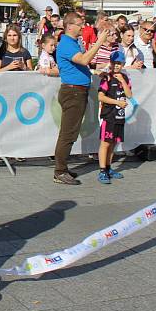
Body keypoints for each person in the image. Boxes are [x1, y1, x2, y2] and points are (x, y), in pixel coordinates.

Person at [53, 13, 110, 185]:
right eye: (80, 24)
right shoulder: (66, 44)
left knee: (70, 132)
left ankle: (62, 168)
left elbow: (81, 62)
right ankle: (60, 171)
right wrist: (100, 41)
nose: (82, 26)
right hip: (73, 92)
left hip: (76, 91)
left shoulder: (71, 42)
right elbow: (84, 60)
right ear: (69, 26)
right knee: (68, 134)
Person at [97, 50, 132, 184]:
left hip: (119, 116)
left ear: (123, 64)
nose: (117, 66)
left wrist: (122, 81)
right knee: (105, 143)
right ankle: (102, 170)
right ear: (110, 63)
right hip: (109, 115)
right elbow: (100, 96)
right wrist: (117, 102)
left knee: (113, 143)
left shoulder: (125, 78)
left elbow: (129, 95)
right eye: (114, 63)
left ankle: (108, 167)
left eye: (119, 63)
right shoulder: (107, 77)